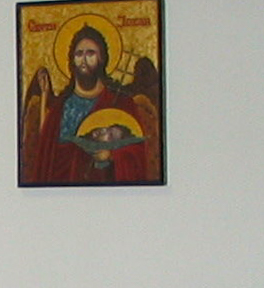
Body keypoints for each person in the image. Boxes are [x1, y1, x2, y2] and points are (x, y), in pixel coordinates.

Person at [20, 23, 160, 185]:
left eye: (90, 53)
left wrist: (112, 156)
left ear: (102, 58)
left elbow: (138, 151)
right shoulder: (60, 108)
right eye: (79, 54)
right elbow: (46, 157)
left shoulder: (121, 103)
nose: (84, 60)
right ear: (72, 60)